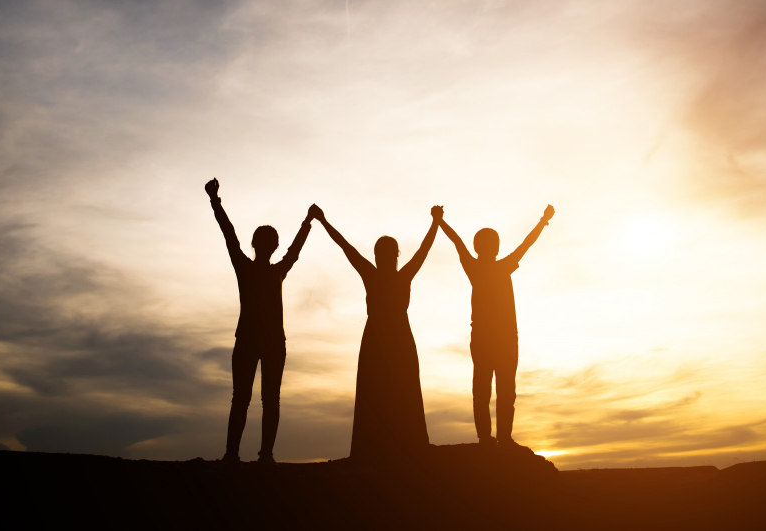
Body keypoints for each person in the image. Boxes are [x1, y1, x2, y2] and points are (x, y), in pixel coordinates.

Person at [309, 203, 442, 460]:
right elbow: (347, 248)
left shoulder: (387, 275)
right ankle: (386, 444)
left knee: (398, 388)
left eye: (389, 254)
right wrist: (323, 222)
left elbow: (423, 250)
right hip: (386, 339)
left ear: (393, 256)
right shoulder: (383, 275)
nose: (387, 258)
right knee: (381, 389)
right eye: (385, 254)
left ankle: (399, 444)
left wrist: (436, 222)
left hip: (392, 338)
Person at [205, 178, 313, 464]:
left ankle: (244, 454)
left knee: (247, 399)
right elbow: (294, 252)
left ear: (259, 245)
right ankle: (253, 454)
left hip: (263, 341)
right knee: (260, 399)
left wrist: (215, 200)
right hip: (261, 341)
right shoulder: (269, 271)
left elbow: (230, 236)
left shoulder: (257, 269)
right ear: (271, 246)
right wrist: (307, 222)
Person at [437, 205, 555, 447]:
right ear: (487, 247)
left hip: (500, 339)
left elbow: (458, 242)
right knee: (491, 390)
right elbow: (525, 245)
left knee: (497, 390)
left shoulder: (487, 266)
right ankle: (490, 437)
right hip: (495, 340)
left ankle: (498, 437)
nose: (494, 247)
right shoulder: (493, 267)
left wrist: (440, 221)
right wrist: (542, 220)